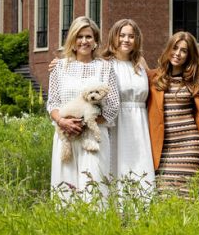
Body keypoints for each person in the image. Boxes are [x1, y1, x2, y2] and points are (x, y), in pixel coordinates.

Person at [46, 16, 120, 202]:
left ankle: (95, 229)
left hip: (94, 137)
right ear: (72, 40)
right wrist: (63, 121)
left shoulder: (105, 67)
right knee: (66, 191)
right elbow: (53, 103)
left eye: (88, 37)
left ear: (95, 41)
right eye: (79, 36)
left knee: (94, 189)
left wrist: (87, 124)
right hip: (66, 136)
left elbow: (113, 105)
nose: (84, 41)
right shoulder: (59, 67)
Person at [97, 18, 155, 196]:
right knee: (117, 164)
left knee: (140, 165)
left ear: (137, 39)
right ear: (114, 37)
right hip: (117, 123)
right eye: (122, 35)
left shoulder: (141, 64)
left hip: (140, 124)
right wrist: (58, 64)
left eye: (131, 36)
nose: (126, 40)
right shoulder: (104, 64)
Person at [147, 31, 199, 195]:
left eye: (184, 50)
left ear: (189, 55)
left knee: (188, 197)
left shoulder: (196, 80)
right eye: (175, 48)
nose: (178, 54)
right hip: (163, 148)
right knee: (164, 196)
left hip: (189, 147)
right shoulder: (153, 77)